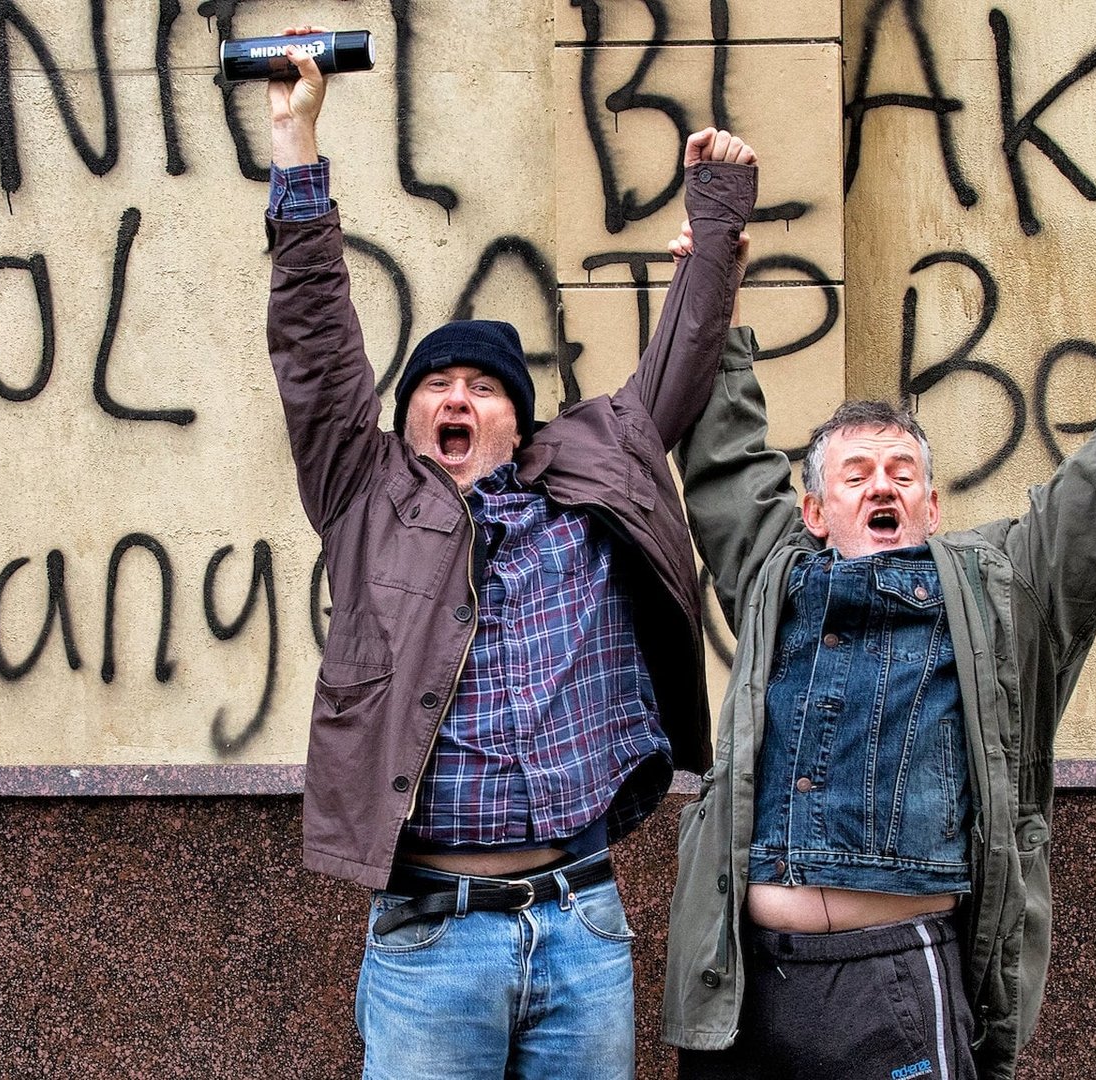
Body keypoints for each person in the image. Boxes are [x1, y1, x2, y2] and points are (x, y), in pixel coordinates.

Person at [258, 28, 755, 1079]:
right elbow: (315, 347)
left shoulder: (586, 480)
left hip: (582, 925)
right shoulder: (366, 493)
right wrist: (297, 147)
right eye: (436, 386)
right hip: (432, 939)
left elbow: (683, 359)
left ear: (517, 426)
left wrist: (716, 219)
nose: (456, 398)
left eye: (482, 388)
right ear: (406, 422)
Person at [660, 228, 1096, 1080]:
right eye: (856, 475)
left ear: (932, 507)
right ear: (817, 512)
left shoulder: (1000, 588)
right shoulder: (775, 575)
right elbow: (723, 462)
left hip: (895, 979)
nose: (883, 486)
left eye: (901, 472)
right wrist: (709, 286)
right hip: (745, 984)